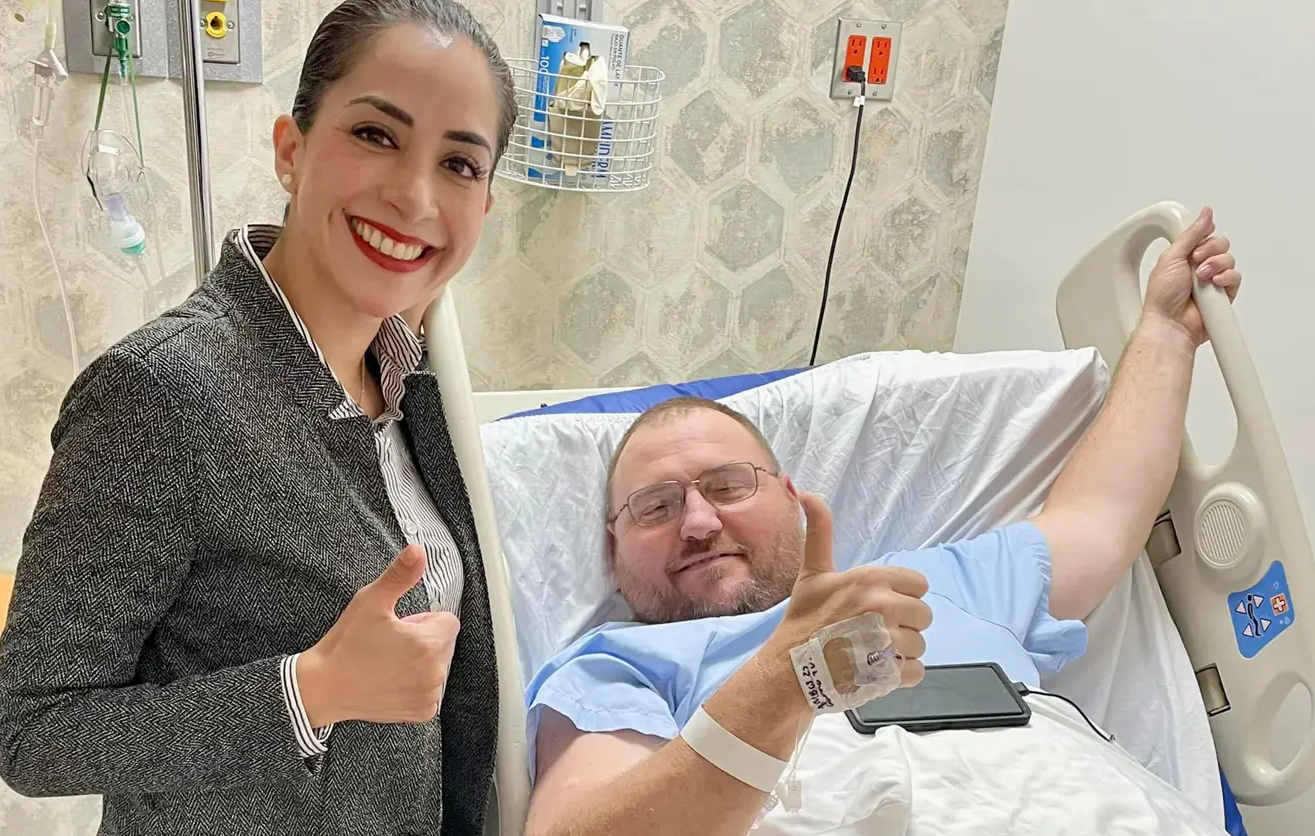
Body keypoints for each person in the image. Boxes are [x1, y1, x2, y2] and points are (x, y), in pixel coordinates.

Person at [524, 208, 1244, 836]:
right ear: (612, 546)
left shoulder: (931, 583)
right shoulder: (616, 666)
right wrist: (782, 682)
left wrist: (1164, 334)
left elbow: (1102, 515)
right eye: (655, 506)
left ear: (787, 495)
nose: (699, 521)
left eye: (727, 486)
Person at [0, 2, 514, 833]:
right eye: (376, 136)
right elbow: (32, 734)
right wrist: (310, 691)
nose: (415, 195)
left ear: (485, 204)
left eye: (458, 164)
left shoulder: (417, 379)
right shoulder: (160, 395)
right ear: (291, 149)